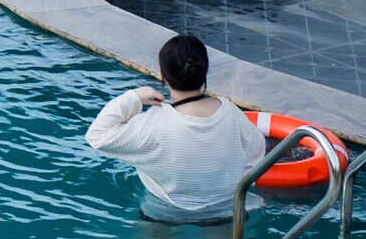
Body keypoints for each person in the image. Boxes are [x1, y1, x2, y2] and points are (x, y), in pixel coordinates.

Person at [85, 34, 273, 223]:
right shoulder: (230, 113)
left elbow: (97, 135)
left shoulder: (153, 124)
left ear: (164, 76)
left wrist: (135, 97)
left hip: (164, 210)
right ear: (204, 71)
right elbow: (256, 152)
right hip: (222, 208)